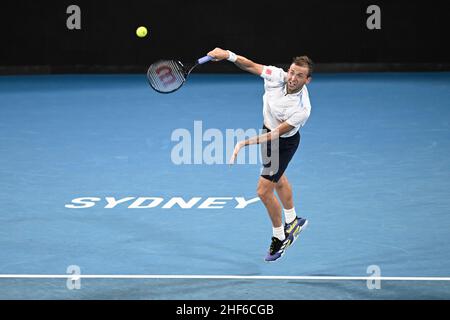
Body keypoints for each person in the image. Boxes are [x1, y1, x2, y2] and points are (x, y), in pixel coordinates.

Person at [207, 48, 312, 262]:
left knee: (263, 191)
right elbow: (250, 65)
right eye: (292, 72)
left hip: (283, 143)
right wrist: (228, 55)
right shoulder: (277, 76)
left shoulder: (302, 108)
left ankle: (279, 237)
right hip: (267, 133)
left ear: (307, 80)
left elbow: (275, 135)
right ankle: (293, 220)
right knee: (278, 177)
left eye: (299, 75)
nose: (292, 78)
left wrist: (243, 143)